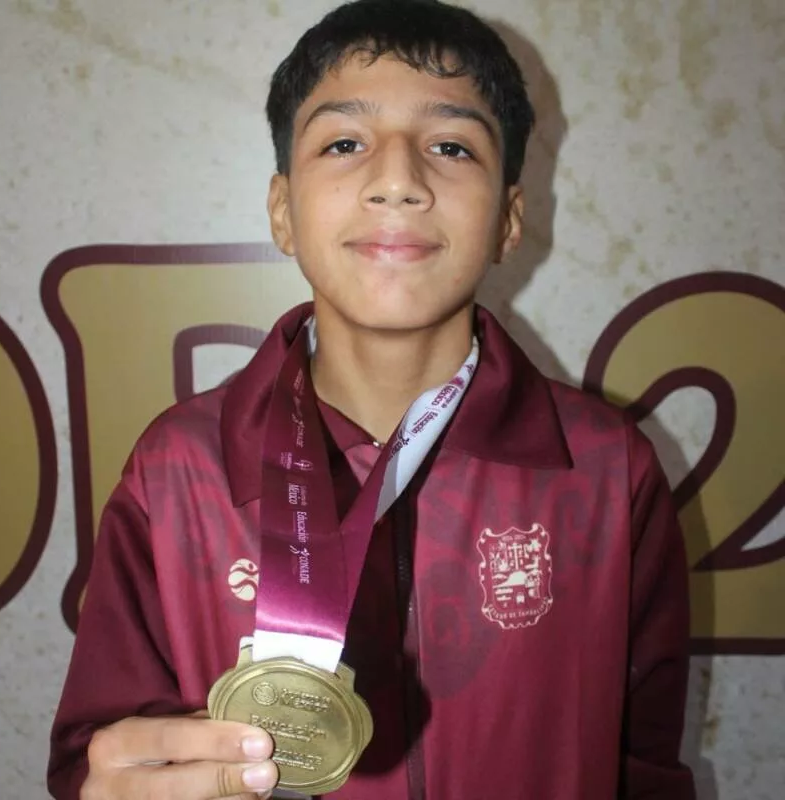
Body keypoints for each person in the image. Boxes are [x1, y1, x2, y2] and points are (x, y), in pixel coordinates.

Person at [48, 1, 695, 798]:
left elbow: (645, 766)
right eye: (345, 143)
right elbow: (94, 756)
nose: (397, 181)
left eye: (451, 146)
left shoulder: (606, 468)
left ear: (508, 219)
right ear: (283, 211)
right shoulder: (179, 467)